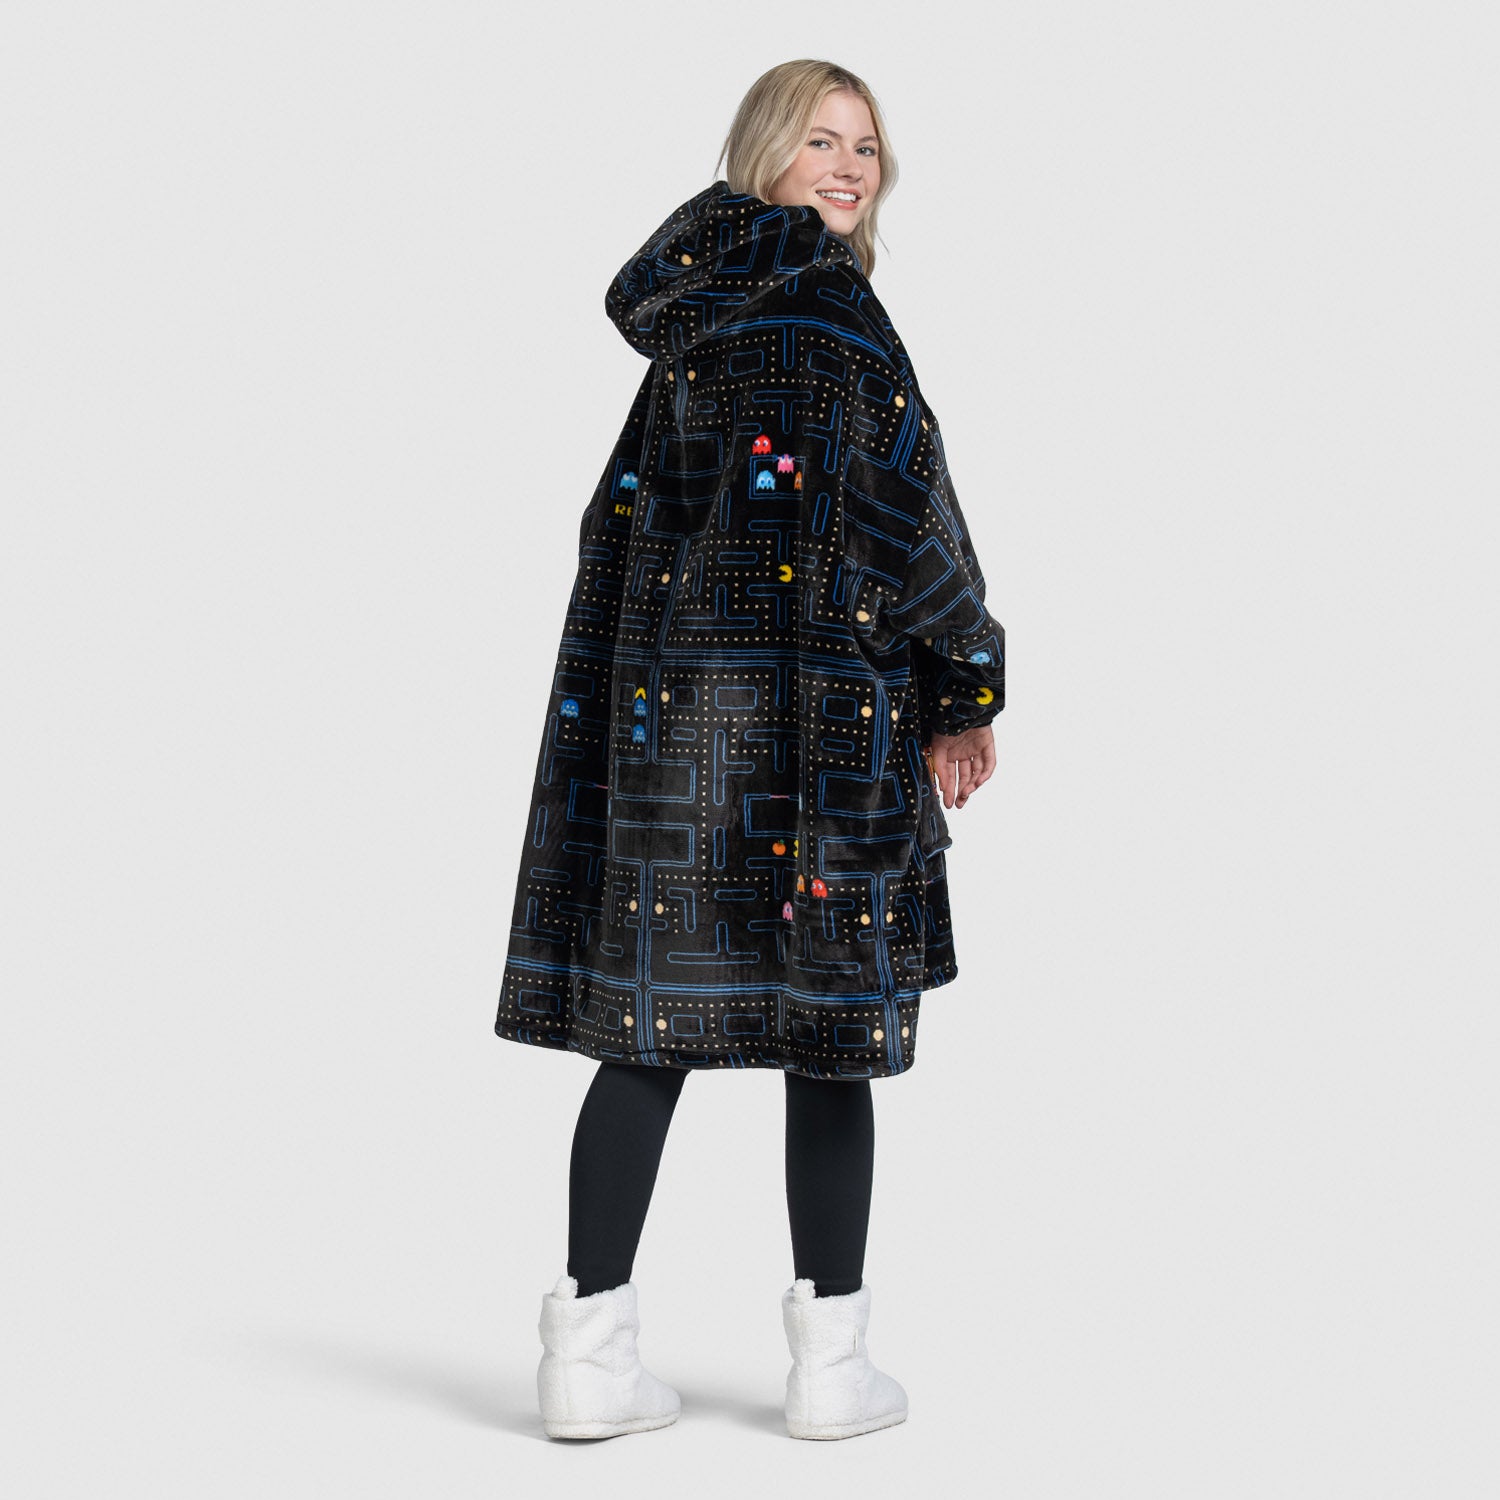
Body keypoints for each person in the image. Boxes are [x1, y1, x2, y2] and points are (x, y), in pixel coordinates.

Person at [495, 59, 1006, 1441]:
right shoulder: (836, 313)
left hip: (680, 737)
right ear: (765, 153)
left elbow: (618, 525)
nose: (849, 167)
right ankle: (831, 1369)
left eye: (867, 147)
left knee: (648, 1031)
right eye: (820, 140)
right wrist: (966, 686)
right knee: (830, 1037)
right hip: (820, 727)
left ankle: (587, 1352)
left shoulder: (695, 323)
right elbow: (910, 518)